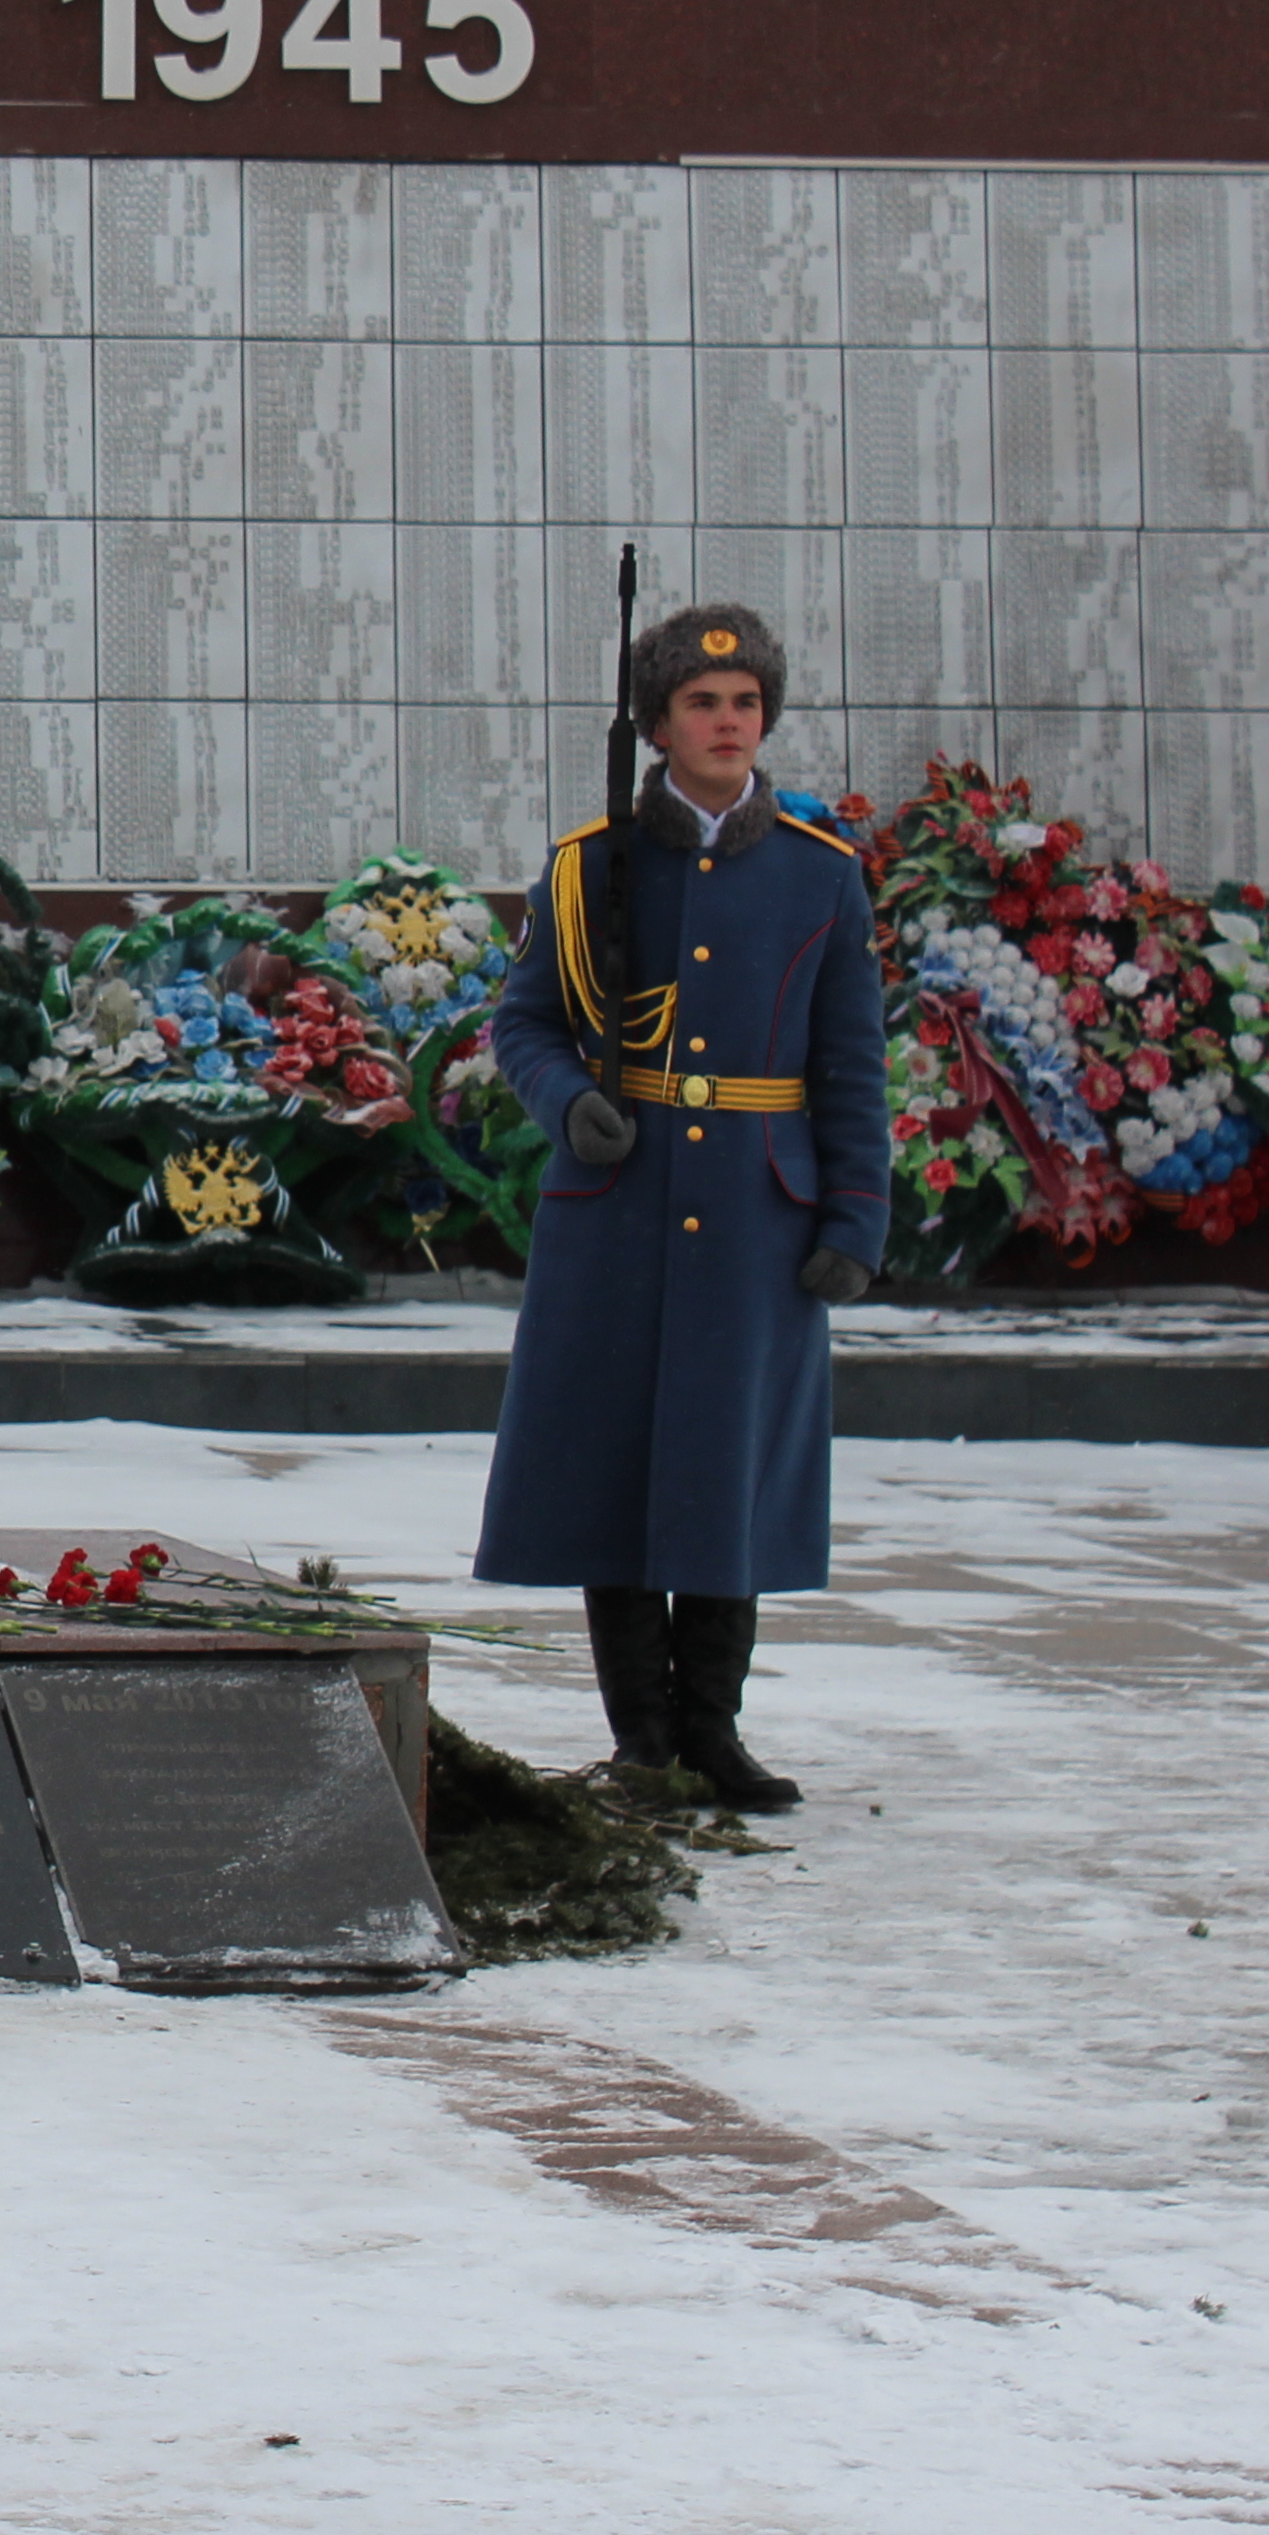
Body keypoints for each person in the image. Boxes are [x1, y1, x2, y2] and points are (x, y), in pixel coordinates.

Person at [476, 602, 888, 1814]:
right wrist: (566, 1105)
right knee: (618, 1472)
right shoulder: (593, 864)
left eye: (745, 704)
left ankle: (714, 1731)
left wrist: (853, 1220)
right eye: (702, 705)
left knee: (730, 1471)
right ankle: (642, 1741)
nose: (727, 723)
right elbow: (527, 1022)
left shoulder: (821, 881)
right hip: (621, 1207)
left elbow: (852, 1063)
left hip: (759, 1215)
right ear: (656, 726)